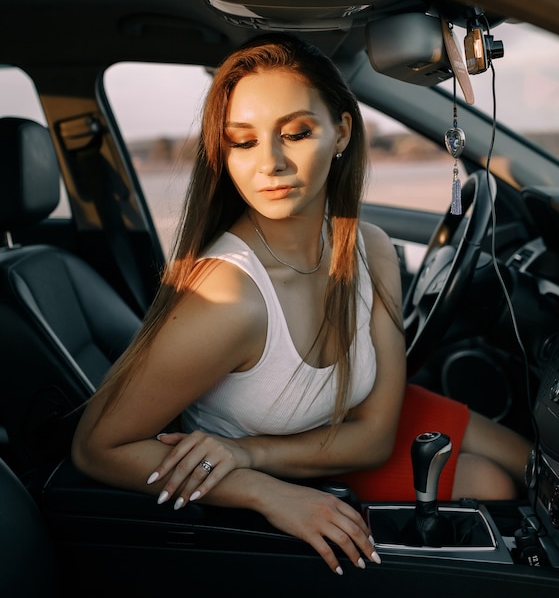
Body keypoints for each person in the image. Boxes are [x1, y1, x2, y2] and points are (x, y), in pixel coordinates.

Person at [71, 33, 532, 575]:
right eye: (242, 142)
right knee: (494, 485)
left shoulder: (373, 247)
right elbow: (97, 447)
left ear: (341, 131)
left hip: (335, 430)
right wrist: (257, 487)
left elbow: (375, 435)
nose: (270, 163)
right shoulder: (227, 297)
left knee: (534, 462)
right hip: (296, 473)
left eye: (295, 133)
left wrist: (252, 452)